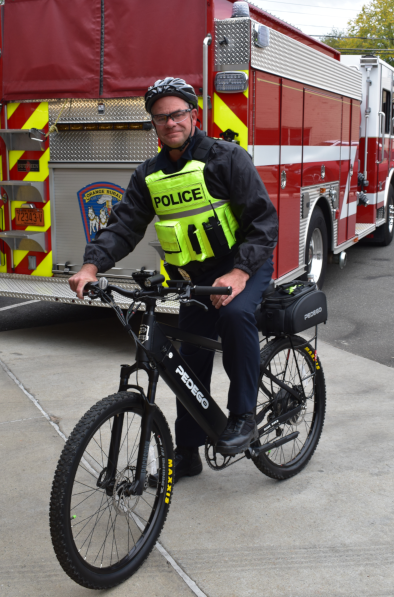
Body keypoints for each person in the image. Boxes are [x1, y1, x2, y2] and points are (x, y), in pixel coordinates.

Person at [69, 77, 278, 482]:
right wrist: (92, 266)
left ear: (193, 114)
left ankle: (243, 416)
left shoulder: (226, 158)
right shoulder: (149, 173)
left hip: (242, 266)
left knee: (235, 319)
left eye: (177, 113)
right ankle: (187, 452)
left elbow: (262, 222)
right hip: (194, 279)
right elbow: (124, 225)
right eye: (160, 117)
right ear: (154, 124)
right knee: (187, 363)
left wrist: (238, 272)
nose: (170, 123)